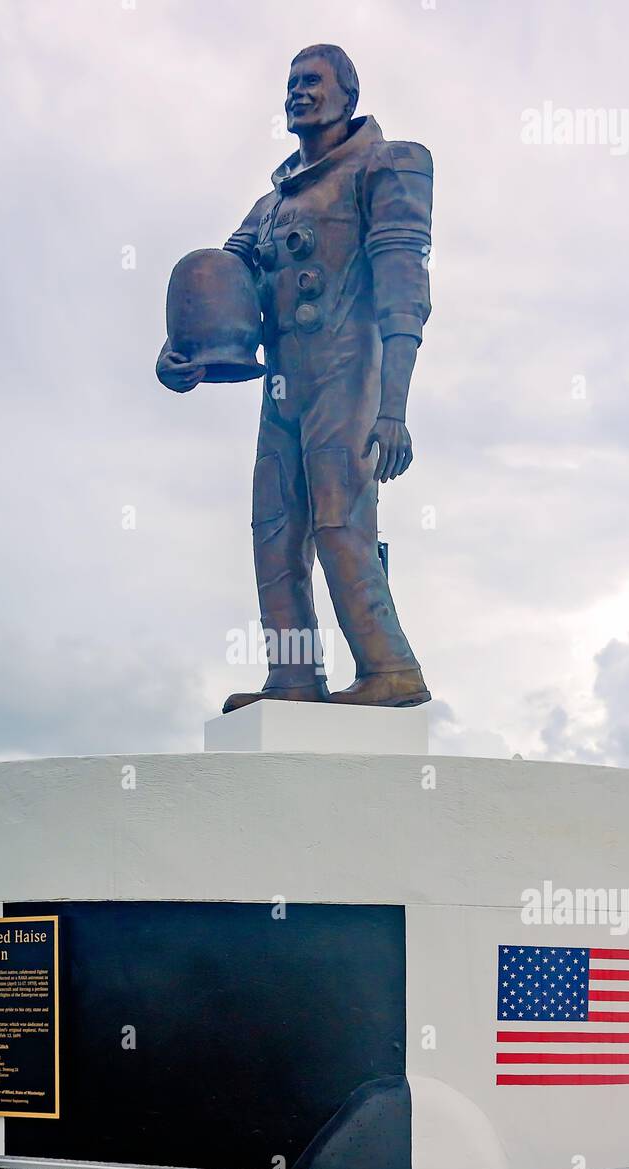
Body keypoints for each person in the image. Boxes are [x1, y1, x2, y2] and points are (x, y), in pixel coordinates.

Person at [157, 44, 434, 710]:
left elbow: (404, 286)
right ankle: (292, 676)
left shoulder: (387, 164)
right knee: (274, 527)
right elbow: (226, 279)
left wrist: (391, 409)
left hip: (348, 369)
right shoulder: (270, 206)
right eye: (289, 83)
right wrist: (182, 351)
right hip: (285, 385)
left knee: (339, 520)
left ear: (348, 94)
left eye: (311, 81)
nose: (297, 93)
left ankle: (389, 668)